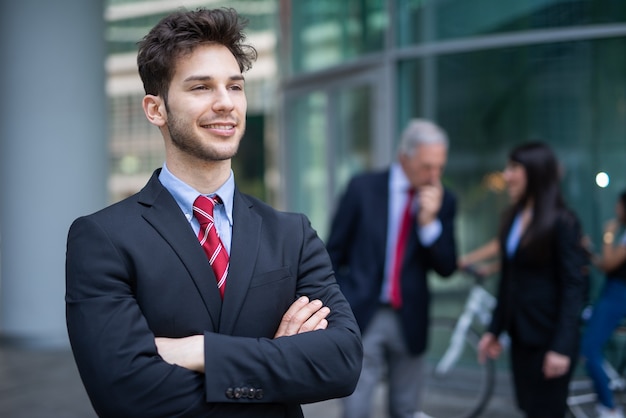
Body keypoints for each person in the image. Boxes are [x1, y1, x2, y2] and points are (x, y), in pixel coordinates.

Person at [65, 8, 362, 418]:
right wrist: (279, 361)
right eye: (201, 87)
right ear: (156, 110)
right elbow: (124, 394)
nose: (225, 103)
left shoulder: (292, 234)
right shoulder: (103, 238)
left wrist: (200, 350)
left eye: (235, 87)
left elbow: (342, 362)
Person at [326, 119, 458, 418]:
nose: (434, 176)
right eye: (427, 167)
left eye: (440, 167)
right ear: (404, 157)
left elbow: (447, 267)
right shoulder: (363, 188)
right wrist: (339, 303)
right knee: (356, 407)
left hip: (409, 316)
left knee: (406, 409)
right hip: (361, 311)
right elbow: (333, 251)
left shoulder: (444, 200)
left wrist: (428, 224)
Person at [477, 142, 586, 418]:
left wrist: (561, 347)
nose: (506, 175)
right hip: (521, 336)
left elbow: (574, 287)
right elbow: (509, 279)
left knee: (546, 411)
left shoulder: (563, 221)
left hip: (550, 339)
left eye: (514, 167)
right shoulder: (513, 217)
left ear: (536, 172)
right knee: (529, 408)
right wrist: (494, 329)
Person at [580, 190, 626, 418]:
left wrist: (608, 235)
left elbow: (608, 264)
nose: (616, 210)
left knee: (589, 349)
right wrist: (589, 251)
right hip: (612, 293)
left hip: (618, 296)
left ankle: (608, 407)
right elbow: (604, 264)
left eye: (619, 206)